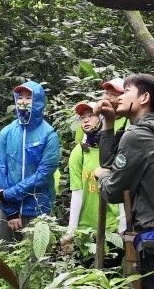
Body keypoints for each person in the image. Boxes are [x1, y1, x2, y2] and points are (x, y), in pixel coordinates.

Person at [94, 74, 154, 288]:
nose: (119, 97)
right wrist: (108, 123)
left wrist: (102, 178)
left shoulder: (136, 136)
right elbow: (111, 162)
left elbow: (114, 191)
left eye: (126, 92)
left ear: (144, 98)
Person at [0, 81, 60, 242]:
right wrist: (10, 210)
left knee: (37, 261)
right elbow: (0, 170)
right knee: (7, 258)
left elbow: (43, 174)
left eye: (29, 97)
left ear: (38, 101)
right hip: (8, 210)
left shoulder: (49, 134)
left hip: (38, 209)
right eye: (20, 97)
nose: (23, 101)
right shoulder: (6, 133)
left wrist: (9, 195)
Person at [61, 102, 122, 254]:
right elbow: (77, 193)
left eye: (91, 116)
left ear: (101, 118)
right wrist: (71, 231)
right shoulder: (79, 152)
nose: (86, 120)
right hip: (85, 230)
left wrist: (123, 226)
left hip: (112, 227)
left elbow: (122, 188)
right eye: (82, 118)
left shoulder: (114, 149)